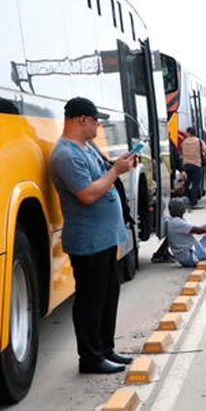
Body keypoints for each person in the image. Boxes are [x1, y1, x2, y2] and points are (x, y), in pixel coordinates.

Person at [50, 97, 137, 374]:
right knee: (91, 299)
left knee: (108, 294)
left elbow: (103, 176)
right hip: (88, 240)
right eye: (96, 120)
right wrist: (115, 171)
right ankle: (90, 357)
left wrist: (118, 165)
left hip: (105, 237)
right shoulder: (65, 155)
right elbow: (86, 194)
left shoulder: (86, 147)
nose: (98, 126)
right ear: (82, 120)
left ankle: (105, 349)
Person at [165, 198, 206, 267]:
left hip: (191, 254)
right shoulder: (177, 222)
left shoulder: (174, 221)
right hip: (191, 257)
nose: (184, 208)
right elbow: (201, 230)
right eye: (183, 206)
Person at [181, 127, 206, 208]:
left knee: (186, 183)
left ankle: (184, 201)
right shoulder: (199, 141)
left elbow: (181, 152)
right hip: (196, 165)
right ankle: (193, 203)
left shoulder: (184, 142)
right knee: (195, 184)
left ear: (189, 133)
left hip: (186, 165)